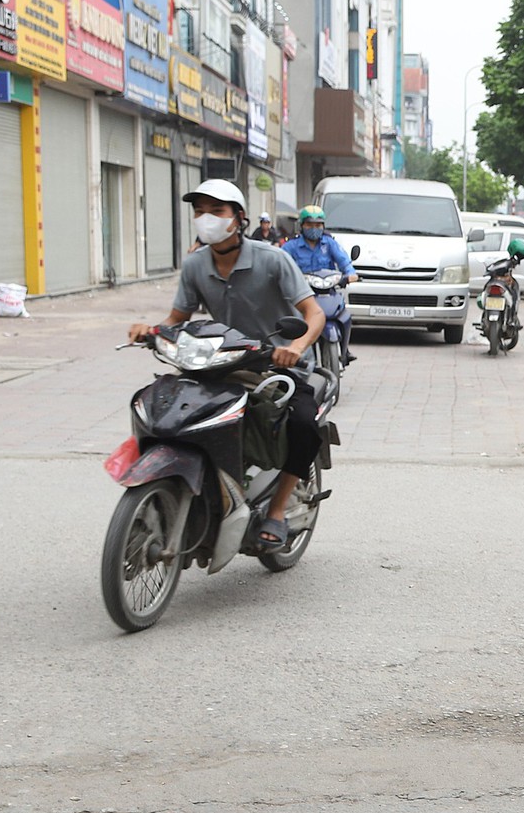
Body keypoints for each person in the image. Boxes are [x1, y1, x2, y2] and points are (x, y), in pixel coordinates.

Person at [127, 179, 325, 554]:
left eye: (216, 211)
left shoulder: (273, 259)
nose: (206, 219)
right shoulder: (195, 265)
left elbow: (312, 313)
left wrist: (296, 346)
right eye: (200, 212)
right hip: (220, 363)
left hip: (277, 365)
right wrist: (149, 331)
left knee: (302, 424)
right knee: (169, 410)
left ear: (239, 218)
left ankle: (278, 510)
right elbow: (177, 318)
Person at [280, 206, 360, 364]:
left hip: (327, 291)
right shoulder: (291, 246)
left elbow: (344, 261)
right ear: (302, 226)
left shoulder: (329, 243)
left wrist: (351, 274)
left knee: (343, 313)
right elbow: (280, 264)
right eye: (310, 225)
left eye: (318, 225)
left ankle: (345, 349)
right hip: (302, 293)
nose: (314, 229)